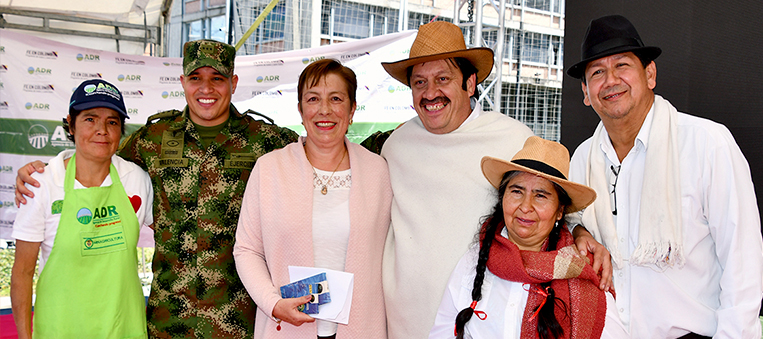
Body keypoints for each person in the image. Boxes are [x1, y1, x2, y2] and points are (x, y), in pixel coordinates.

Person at [14, 39, 299, 338]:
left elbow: (317, 160)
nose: (206, 89)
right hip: (168, 320)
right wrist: (40, 170)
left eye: (217, 78)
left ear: (233, 82)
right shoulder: (154, 138)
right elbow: (98, 157)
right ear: (182, 82)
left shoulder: (266, 140)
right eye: (195, 78)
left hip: (238, 318)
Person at [365, 20, 613, 338]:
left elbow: (552, 200)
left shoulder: (511, 140)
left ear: (470, 83)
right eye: (419, 83)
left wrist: (580, 232)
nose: (430, 93)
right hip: (402, 325)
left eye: (443, 79)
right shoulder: (396, 145)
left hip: (480, 324)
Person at [566, 15, 763, 338]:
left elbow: (743, 261)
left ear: (650, 74)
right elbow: (573, 223)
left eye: (622, 65)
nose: (611, 80)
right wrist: (580, 233)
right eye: (597, 72)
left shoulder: (707, 143)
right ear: (586, 92)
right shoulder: (583, 158)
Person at [233, 59, 391, 339]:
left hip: (361, 329)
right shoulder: (270, 169)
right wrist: (273, 303)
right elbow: (247, 250)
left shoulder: (377, 171)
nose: (325, 110)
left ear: (352, 109)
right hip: (287, 329)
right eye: (313, 99)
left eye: (336, 99)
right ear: (300, 109)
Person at [429, 136, 627, 339]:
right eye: (516, 191)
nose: (525, 206)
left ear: (560, 211)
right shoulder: (475, 260)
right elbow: (443, 330)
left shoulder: (582, 268)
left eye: (540, 195)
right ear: (502, 198)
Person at [11, 79, 153, 339]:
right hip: (60, 329)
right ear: (71, 124)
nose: (102, 130)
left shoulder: (137, 179)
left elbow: (172, 231)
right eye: (90, 119)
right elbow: (22, 273)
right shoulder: (41, 184)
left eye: (112, 122)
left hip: (124, 329)